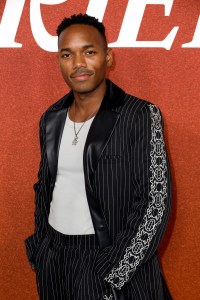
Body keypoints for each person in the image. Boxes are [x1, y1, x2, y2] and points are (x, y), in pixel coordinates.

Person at [25, 13, 172, 300]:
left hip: (106, 261)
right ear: (59, 61)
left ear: (108, 56)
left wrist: (115, 270)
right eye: (67, 54)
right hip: (54, 262)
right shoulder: (51, 118)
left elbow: (155, 201)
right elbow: (45, 187)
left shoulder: (139, 115)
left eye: (89, 52)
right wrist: (40, 249)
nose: (78, 63)